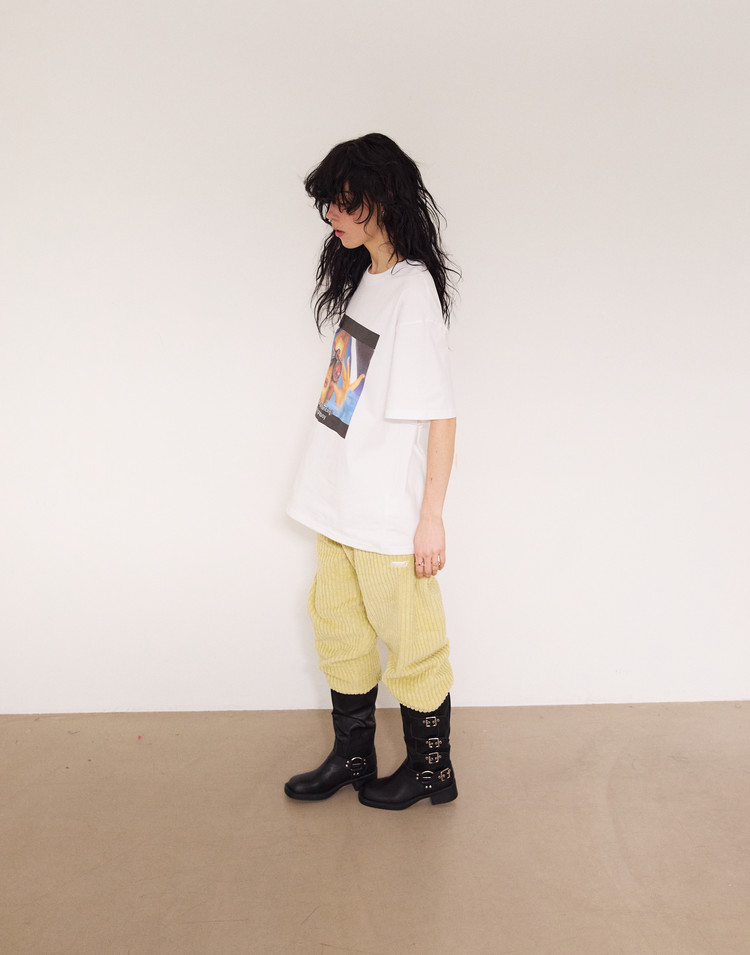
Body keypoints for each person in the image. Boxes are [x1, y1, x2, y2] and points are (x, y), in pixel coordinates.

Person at [285, 133, 459, 811]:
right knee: (339, 629)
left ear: (380, 200)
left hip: (385, 511)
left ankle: (431, 769)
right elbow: (346, 398)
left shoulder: (413, 291)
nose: (331, 215)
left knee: (412, 640)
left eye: (342, 201)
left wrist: (430, 516)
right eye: (328, 204)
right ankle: (354, 755)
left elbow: (440, 414)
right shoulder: (371, 278)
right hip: (337, 500)